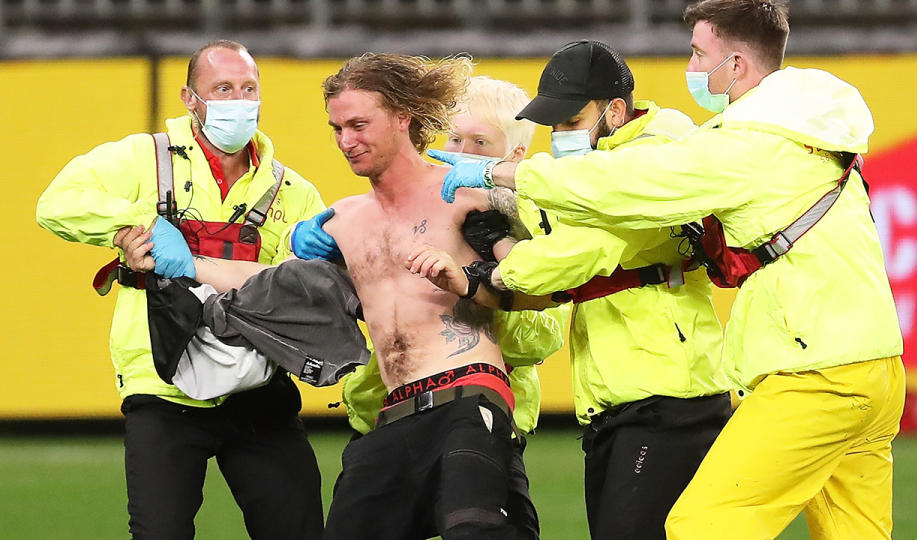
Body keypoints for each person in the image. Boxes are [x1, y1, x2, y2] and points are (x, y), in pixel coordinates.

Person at [436, 1, 906, 539]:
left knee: (702, 526)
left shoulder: (745, 146)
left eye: (698, 53)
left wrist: (501, 177)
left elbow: (624, 188)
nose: (690, 67)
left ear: (736, 64)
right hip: (875, 363)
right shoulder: (807, 131)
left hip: (816, 367)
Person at [423, 41, 731, 540]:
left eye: (570, 122)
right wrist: (503, 210)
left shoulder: (653, 161)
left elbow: (573, 255)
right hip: (617, 397)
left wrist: (495, 259)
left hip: (668, 394)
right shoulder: (597, 169)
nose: (560, 135)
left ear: (614, 110)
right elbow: (559, 229)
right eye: (554, 126)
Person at [36, 40, 326, 540]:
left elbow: (307, 292)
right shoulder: (141, 158)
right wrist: (139, 221)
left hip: (258, 385)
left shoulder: (291, 189)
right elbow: (56, 204)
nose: (239, 101)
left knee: (296, 528)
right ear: (190, 98)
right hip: (161, 383)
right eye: (223, 88)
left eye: (248, 88)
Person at [297, 53, 561, 540]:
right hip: (390, 412)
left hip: (468, 395)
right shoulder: (342, 221)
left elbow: (541, 289)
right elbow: (270, 291)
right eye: (337, 129)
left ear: (403, 117)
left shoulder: (472, 200)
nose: (346, 141)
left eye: (358, 125)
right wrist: (180, 264)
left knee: (475, 530)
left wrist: (467, 276)